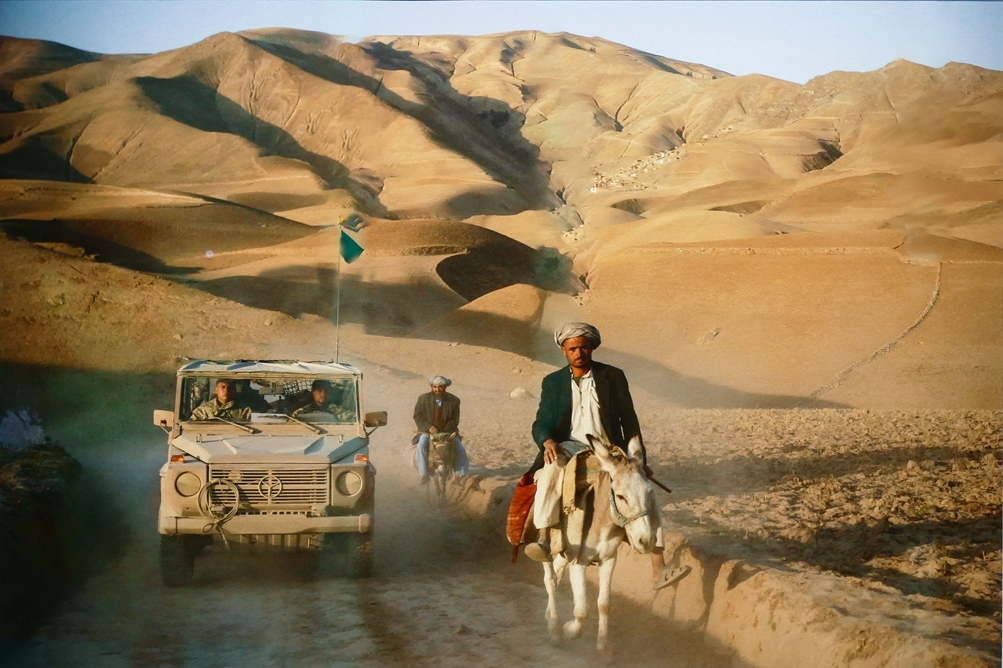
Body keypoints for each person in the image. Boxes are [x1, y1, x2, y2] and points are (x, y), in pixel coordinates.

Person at [524, 322, 690, 590]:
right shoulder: (552, 382)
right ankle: (544, 538)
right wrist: (547, 441)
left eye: (584, 347)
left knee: (644, 491)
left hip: (610, 450)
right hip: (570, 446)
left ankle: (659, 569)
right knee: (550, 472)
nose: (579, 353)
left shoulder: (613, 376)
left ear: (592, 348)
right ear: (564, 351)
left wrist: (640, 461)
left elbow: (629, 420)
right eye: (573, 348)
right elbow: (541, 420)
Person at [412, 375, 470, 484]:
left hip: (447, 432)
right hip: (428, 432)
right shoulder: (423, 399)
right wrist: (429, 427)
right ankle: (424, 474)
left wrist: (447, 431)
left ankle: (458, 477)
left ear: (445, 387)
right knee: (421, 445)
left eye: (440, 387)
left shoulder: (454, 400)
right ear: (431, 387)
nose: (437, 389)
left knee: (460, 449)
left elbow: (455, 419)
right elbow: (418, 416)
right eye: (434, 387)